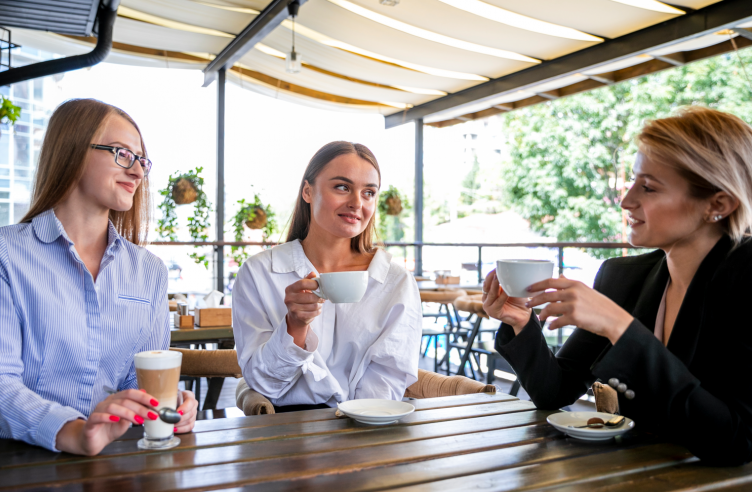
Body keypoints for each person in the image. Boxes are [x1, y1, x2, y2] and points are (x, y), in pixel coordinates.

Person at [483, 106, 752, 466]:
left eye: (648, 187)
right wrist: (521, 323)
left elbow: (737, 441)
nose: (626, 201)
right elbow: (554, 392)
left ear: (718, 203)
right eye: (633, 182)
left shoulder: (746, 278)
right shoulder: (624, 277)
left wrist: (621, 328)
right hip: (637, 481)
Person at [0, 99, 197, 455]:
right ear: (73, 151)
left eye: (141, 160)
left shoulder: (149, 270)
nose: (137, 172)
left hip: (108, 449)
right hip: (1, 452)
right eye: (122, 154)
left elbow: (137, 380)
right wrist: (73, 431)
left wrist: (167, 404)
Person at [232, 141, 421, 411]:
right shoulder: (258, 273)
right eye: (342, 187)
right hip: (285, 425)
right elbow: (263, 383)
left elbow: (389, 377)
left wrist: (356, 422)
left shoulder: (396, 282)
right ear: (307, 191)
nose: (357, 203)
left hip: (370, 421)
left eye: (368, 192)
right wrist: (295, 326)